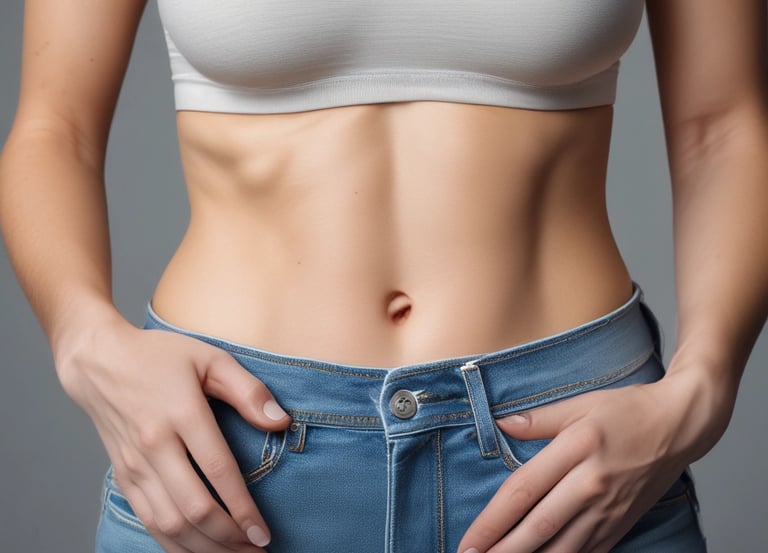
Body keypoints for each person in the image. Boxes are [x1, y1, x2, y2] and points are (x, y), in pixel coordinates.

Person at [1, 1, 766, 552]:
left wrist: (702, 389)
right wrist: (84, 340)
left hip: (568, 453)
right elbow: (51, 127)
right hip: (228, 454)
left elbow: (723, 129)